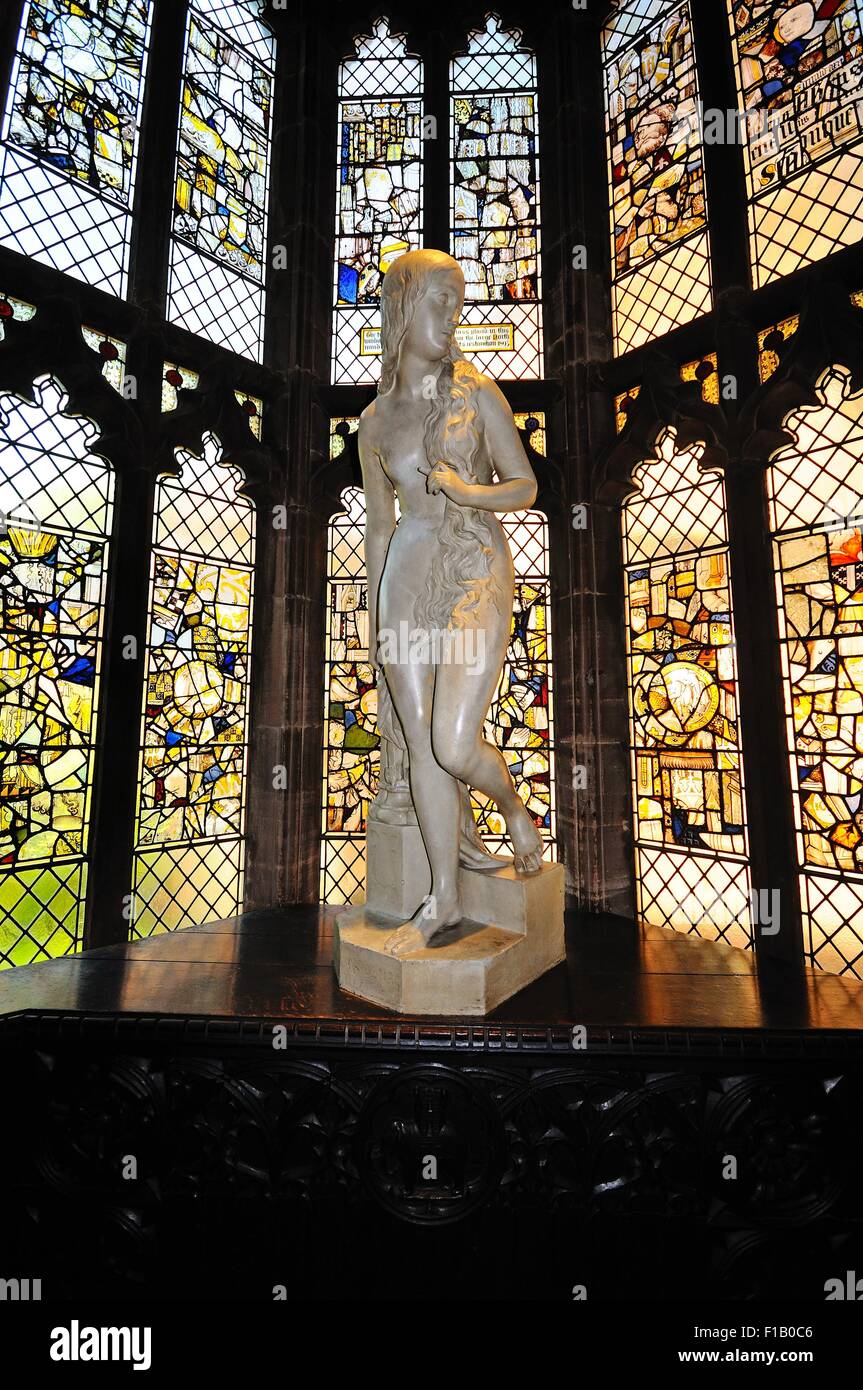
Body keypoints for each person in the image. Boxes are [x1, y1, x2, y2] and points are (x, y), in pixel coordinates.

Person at [359, 248, 543, 955]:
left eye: (457, 299)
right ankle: (440, 899)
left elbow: (524, 487)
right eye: (439, 297)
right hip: (405, 574)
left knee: (452, 742)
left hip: (472, 563)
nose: (452, 312)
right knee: (420, 749)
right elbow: (380, 525)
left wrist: (470, 491)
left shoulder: (478, 392)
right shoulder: (373, 423)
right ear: (402, 306)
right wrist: (379, 623)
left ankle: (511, 809)